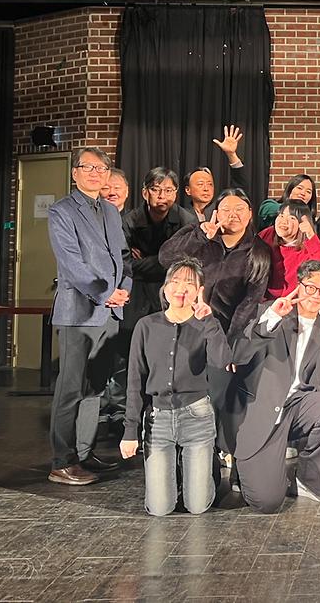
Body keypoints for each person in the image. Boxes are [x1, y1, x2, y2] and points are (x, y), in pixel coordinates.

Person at [159, 188, 272, 456]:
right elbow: (165, 259)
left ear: (250, 214)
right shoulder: (198, 233)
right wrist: (200, 236)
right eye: (226, 210)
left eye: (239, 209)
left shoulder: (258, 252)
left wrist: (230, 344)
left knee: (216, 397)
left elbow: (249, 302)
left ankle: (215, 451)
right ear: (216, 212)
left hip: (221, 333)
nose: (233, 215)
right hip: (184, 328)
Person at [231, 260, 320, 513]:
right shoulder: (272, 312)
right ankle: (244, 470)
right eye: (310, 287)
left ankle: (309, 482)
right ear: (299, 285)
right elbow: (241, 354)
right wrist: (273, 317)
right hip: (261, 411)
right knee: (267, 502)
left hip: (296, 408)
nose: (316, 295)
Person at [119, 257, 233, 516]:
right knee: (160, 508)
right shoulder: (146, 325)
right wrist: (130, 431)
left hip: (196, 416)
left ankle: (206, 469)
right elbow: (135, 380)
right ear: (165, 287)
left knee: (197, 506)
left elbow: (222, 360)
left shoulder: (206, 324)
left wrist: (209, 322)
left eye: (189, 284)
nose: (181, 288)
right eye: (175, 281)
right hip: (158, 420)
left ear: (199, 291)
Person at [46, 147, 131, 486]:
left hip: (110, 311)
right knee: (70, 389)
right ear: (75, 173)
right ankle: (62, 461)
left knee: (95, 388)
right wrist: (105, 292)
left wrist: (123, 288)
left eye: (102, 168)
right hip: (79, 313)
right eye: (88, 167)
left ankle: (84, 452)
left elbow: (123, 256)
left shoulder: (109, 210)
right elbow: (71, 263)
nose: (96, 173)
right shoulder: (62, 211)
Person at [107, 167, 197, 426]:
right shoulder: (129, 221)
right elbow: (125, 265)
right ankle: (127, 416)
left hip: (172, 294)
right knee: (130, 354)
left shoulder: (187, 220)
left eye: (168, 190)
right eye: (156, 190)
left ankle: (165, 414)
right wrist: (164, 261)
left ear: (176, 193)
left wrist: (150, 259)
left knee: (169, 354)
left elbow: (185, 263)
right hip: (135, 294)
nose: (162, 196)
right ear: (145, 192)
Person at [258, 200, 320, 300]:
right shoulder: (267, 235)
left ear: (303, 223)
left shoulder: (309, 247)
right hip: (264, 301)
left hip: (293, 302)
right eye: (281, 216)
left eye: (292, 218)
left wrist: (311, 235)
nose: (284, 221)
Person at [182, 124, 249, 223]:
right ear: (188, 190)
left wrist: (231, 155)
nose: (206, 188)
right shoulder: (182, 215)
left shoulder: (221, 209)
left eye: (210, 184)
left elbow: (240, 187)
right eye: (200, 184)